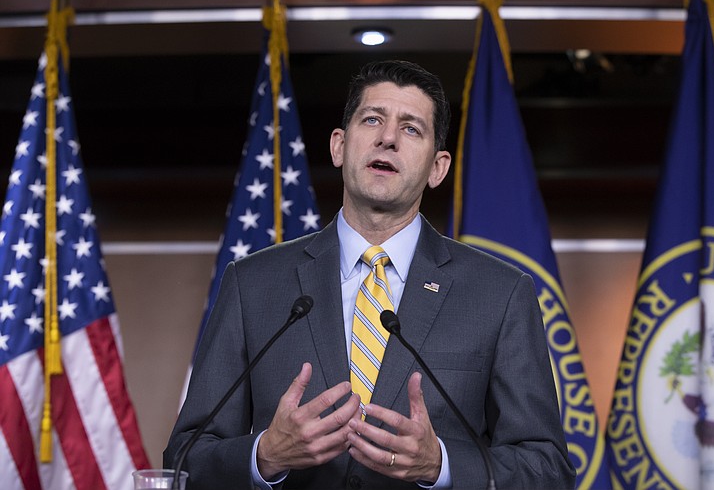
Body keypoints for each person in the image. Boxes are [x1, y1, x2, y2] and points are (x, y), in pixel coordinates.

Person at [164, 60, 575, 489]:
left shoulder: (500, 294)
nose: (388, 138)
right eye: (373, 119)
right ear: (339, 145)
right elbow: (183, 459)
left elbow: (548, 470)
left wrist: (443, 466)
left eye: (411, 128)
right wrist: (264, 455)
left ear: (438, 168)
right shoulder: (253, 284)